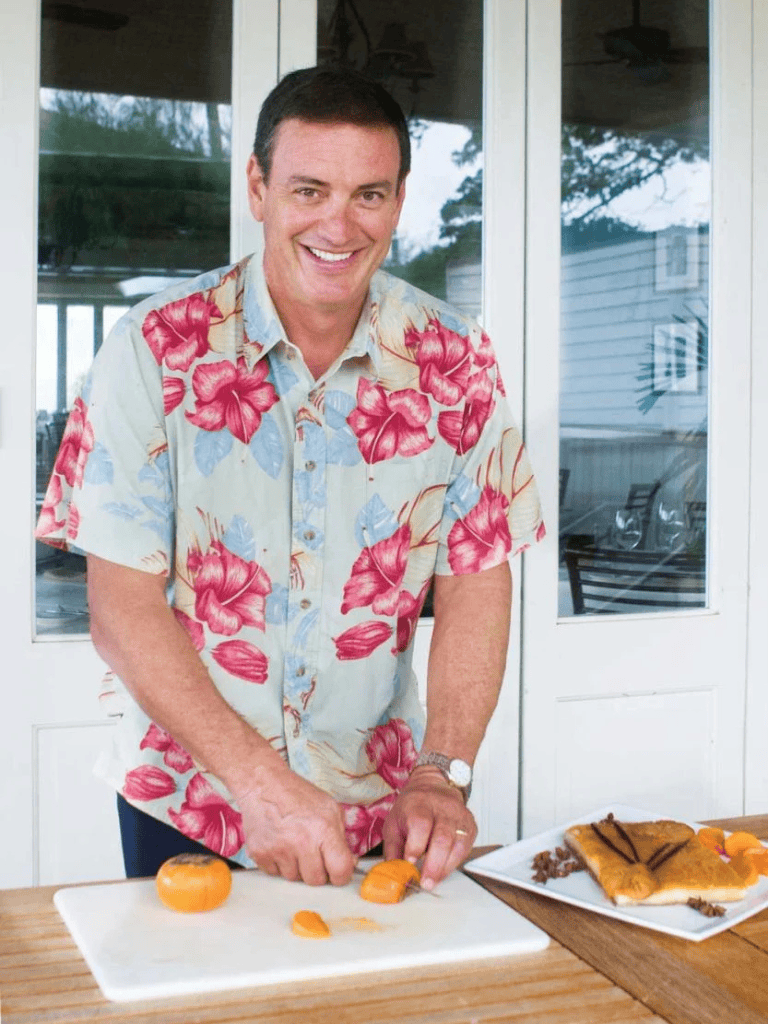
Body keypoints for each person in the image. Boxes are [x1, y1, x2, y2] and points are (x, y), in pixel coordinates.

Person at [36, 65, 544, 891]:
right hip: (189, 803)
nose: (338, 225)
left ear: (399, 201)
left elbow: (479, 576)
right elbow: (119, 606)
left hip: (387, 801)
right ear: (259, 188)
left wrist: (442, 772)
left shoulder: (457, 361)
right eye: (310, 190)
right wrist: (261, 786)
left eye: (368, 195)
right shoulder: (152, 349)